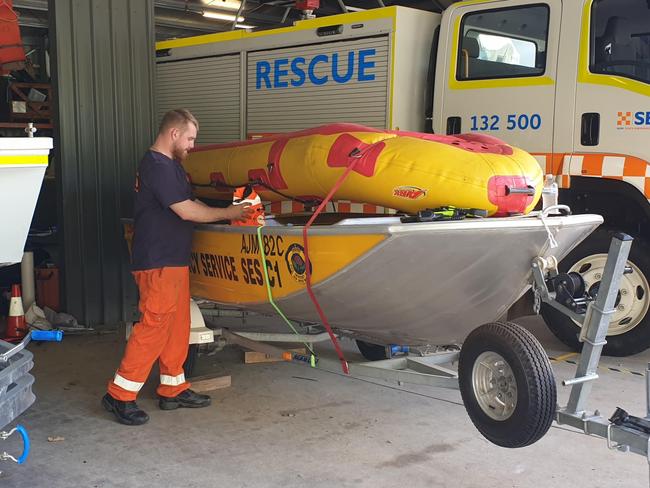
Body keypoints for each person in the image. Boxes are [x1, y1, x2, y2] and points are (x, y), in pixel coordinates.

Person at [102, 109, 252, 426]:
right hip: (158, 261)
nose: (192, 145)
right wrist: (229, 212)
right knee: (154, 327)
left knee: (177, 326)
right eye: (190, 138)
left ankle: (173, 388)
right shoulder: (157, 166)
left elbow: (190, 203)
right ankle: (119, 395)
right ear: (173, 134)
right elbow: (186, 210)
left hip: (173, 259)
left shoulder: (171, 167)